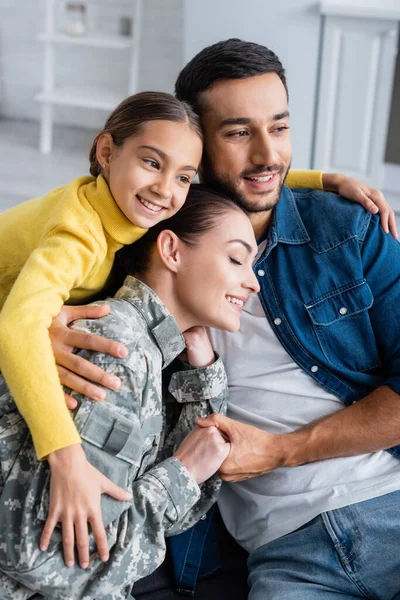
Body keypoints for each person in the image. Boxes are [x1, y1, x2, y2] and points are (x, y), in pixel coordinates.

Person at [54, 38, 400, 599]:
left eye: (280, 127)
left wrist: (285, 450)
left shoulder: (349, 231)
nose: (268, 154)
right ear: (198, 148)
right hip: (287, 556)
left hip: (388, 504)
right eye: (238, 133)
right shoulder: (137, 252)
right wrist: (38, 320)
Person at [0, 185, 260, 600]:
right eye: (236, 258)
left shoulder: (149, 351)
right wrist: (183, 472)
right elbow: (47, 557)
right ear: (171, 251)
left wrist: (202, 379)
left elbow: (172, 512)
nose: (253, 283)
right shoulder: (117, 348)